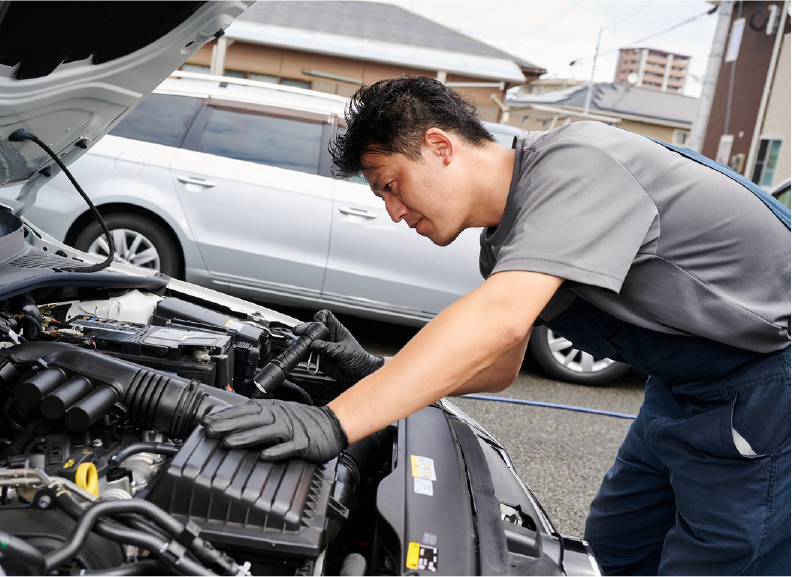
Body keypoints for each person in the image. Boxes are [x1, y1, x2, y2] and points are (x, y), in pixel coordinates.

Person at [203, 76, 791, 576]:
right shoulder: (504, 240)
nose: (392, 210)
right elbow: (501, 367)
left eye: (390, 185)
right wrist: (376, 373)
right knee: (616, 545)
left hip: (768, 383)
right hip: (683, 387)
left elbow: (501, 321)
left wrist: (337, 421)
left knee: (720, 561)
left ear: (439, 145)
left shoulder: (577, 165)